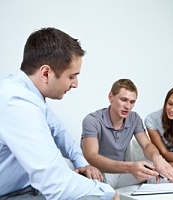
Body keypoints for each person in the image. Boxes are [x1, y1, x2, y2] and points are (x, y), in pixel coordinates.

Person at [0, 28, 118, 200]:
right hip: (9, 194)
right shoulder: (16, 102)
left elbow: (59, 132)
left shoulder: (31, 95)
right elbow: (55, 183)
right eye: (72, 76)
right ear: (46, 73)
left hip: (27, 188)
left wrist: (83, 163)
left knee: (91, 182)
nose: (75, 84)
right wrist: (108, 192)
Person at [81, 79, 173, 189]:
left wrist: (157, 157)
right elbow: (91, 156)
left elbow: (147, 145)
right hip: (98, 173)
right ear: (111, 97)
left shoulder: (134, 118)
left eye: (132, 102)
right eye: (124, 100)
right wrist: (130, 166)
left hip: (121, 173)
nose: (128, 106)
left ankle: (154, 193)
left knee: (152, 166)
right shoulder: (92, 120)